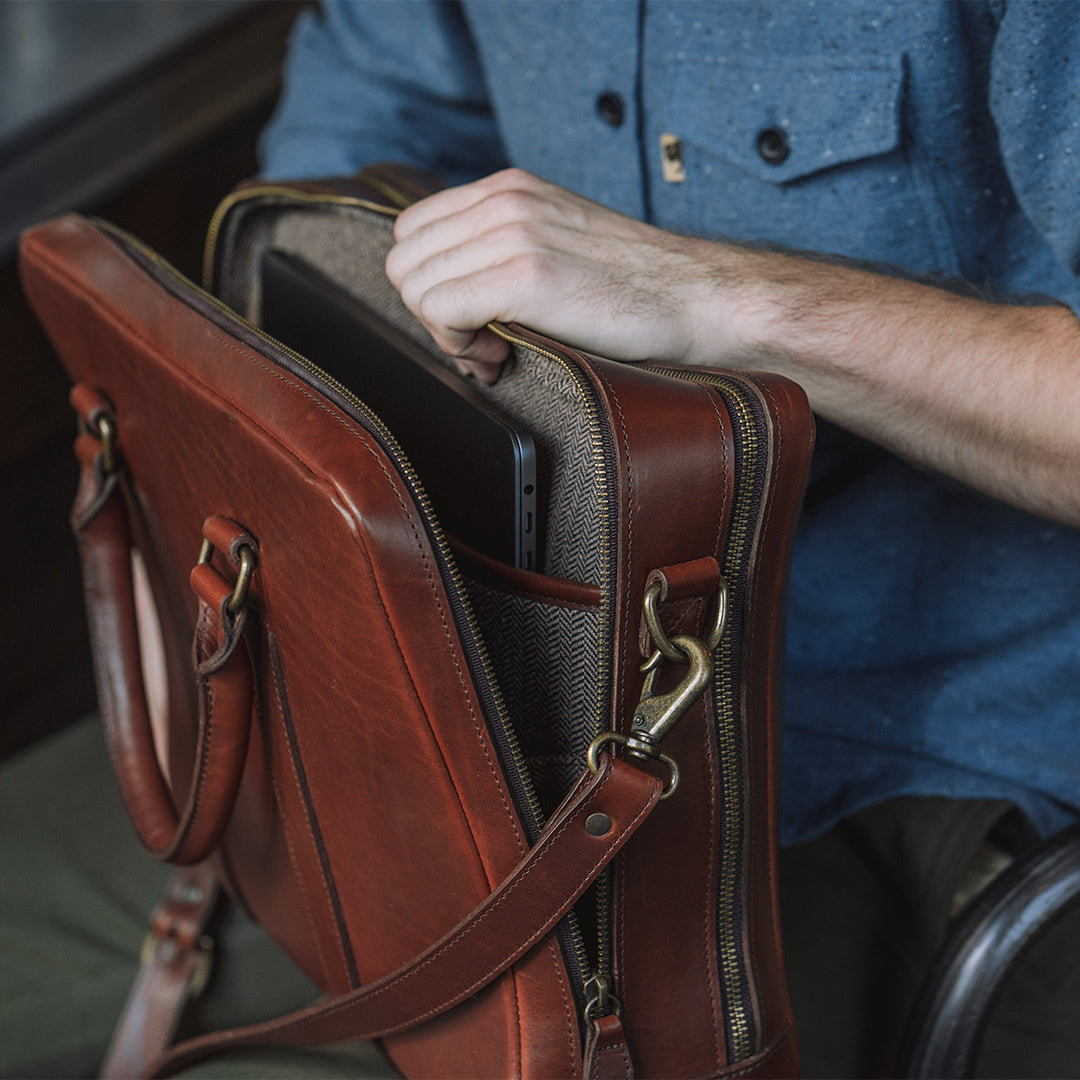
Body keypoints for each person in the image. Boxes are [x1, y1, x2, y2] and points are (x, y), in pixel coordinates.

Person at [3, 2, 1078, 1077]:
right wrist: (240, 509)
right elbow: (359, 128)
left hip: (890, 753)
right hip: (451, 644)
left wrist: (721, 293)